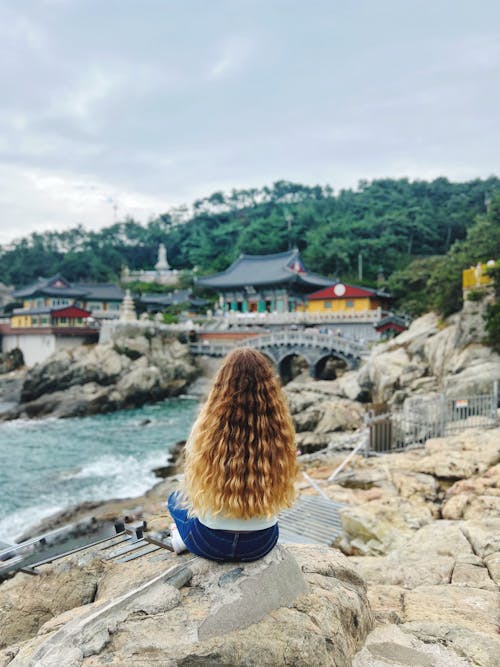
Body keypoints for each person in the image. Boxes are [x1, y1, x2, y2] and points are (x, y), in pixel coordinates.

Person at [168, 347, 298, 562]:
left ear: (222, 384)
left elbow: (194, 480)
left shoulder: (205, 428)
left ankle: (183, 538)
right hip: (261, 543)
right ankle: (185, 536)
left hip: (208, 542)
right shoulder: (279, 432)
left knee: (174, 499)